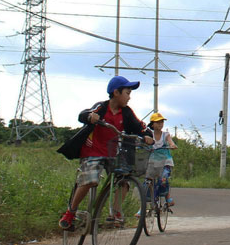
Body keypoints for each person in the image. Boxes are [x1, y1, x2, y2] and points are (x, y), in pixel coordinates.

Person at [57, 75, 154, 229]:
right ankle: (70, 213)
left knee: (123, 180)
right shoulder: (102, 107)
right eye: (127, 93)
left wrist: (148, 135)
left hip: (112, 152)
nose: (129, 97)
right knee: (90, 180)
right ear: (116, 92)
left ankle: (115, 213)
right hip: (92, 151)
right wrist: (90, 117)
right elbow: (83, 114)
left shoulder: (127, 112)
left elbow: (140, 126)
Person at [145, 112, 177, 207]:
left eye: (162, 121)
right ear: (152, 124)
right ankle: (143, 207)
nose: (160, 124)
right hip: (153, 162)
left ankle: (167, 198)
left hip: (165, 162)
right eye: (157, 122)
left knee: (163, 179)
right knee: (147, 182)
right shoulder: (150, 135)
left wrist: (172, 145)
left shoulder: (165, 135)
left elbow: (170, 141)